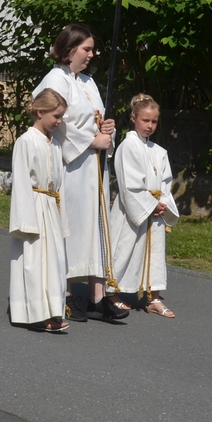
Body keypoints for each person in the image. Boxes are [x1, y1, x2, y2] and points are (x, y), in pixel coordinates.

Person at [32, 24, 126, 322]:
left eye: (92, 49)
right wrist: (90, 141)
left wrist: (107, 130)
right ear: (70, 49)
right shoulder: (55, 79)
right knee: (72, 226)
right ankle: (66, 294)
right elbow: (54, 121)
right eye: (87, 49)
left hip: (94, 168)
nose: (91, 54)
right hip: (71, 166)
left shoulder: (88, 81)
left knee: (95, 226)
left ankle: (98, 297)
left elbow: (95, 119)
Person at [109, 93, 179, 318]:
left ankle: (153, 297)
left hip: (155, 211)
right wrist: (150, 205)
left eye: (154, 121)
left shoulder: (159, 152)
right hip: (133, 211)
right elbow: (129, 185)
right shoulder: (128, 146)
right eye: (145, 120)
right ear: (134, 118)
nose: (150, 126)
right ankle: (111, 292)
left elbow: (166, 182)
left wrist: (162, 203)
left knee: (154, 253)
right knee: (124, 249)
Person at [8, 88, 70, 334]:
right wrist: (26, 221)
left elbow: (59, 183)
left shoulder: (55, 144)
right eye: (56, 116)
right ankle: (34, 312)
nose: (59, 121)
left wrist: (62, 216)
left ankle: (52, 310)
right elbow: (21, 182)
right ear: (40, 112)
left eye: (61, 116)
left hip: (51, 207)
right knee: (34, 261)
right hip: (33, 208)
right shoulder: (26, 141)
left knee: (53, 262)